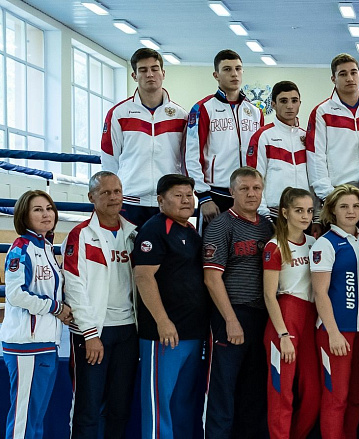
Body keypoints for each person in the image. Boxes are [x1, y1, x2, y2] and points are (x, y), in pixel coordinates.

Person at [132, 174, 210, 439]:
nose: (186, 200)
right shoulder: (154, 230)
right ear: (160, 200)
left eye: (189, 195)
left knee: (183, 403)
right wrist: (162, 321)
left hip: (192, 332)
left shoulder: (190, 230)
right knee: (159, 405)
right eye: (178, 195)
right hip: (164, 335)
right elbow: (144, 277)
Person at [62, 172, 138, 439]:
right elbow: (74, 287)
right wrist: (90, 333)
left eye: (117, 191)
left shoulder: (133, 234)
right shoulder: (80, 234)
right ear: (91, 197)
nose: (113, 197)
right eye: (105, 192)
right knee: (88, 408)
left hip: (128, 330)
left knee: (120, 408)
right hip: (94, 332)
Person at [201, 167, 273, 438]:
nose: (251, 194)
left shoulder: (267, 226)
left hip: (261, 316)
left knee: (254, 392)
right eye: (244, 189)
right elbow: (211, 279)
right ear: (232, 192)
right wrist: (230, 320)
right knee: (223, 392)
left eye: (256, 188)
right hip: (231, 314)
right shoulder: (221, 225)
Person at [1, 190, 70, 439]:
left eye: (49, 208)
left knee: (36, 417)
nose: (46, 214)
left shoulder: (47, 248)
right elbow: (16, 294)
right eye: (38, 209)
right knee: (24, 420)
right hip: (26, 345)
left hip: (46, 342)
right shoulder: (21, 248)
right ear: (24, 215)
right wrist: (56, 308)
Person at [310, 184, 359, 439]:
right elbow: (320, 292)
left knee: (357, 398)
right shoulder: (325, 244)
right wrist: (333, 333)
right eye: (344, 206)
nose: (351, 211)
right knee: (336, 398)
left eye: (355, 206)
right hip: (336, 332)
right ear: (332, 211)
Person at [101, 48, 188, 227]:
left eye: (155, 69)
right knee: (129, 246)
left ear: (163, 73)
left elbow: (187, 160)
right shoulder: (119, 113)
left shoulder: (181, 116)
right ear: (134, 75)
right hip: (130, 200)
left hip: (168, 200)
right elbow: (109, 159)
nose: (150, 74)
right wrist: (113, 194)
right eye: (143, 70)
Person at [261, 187, 320, 439]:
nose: (305, 216)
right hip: (285, 316)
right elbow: (269, 295)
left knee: (313, 394)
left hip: (310, 316)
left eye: (309, 211)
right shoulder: (275, 246)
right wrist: (283, 334)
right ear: (285, 212)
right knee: (281, 392)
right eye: (299, 210)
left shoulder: (315, 243)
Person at [306, 53, 359, 237]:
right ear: (333, 79)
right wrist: (330, 197)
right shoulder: (322, 112)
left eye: (353, 72)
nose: (349, 78)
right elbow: (316, 158)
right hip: (337, 197)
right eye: (343, 74)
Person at [184, 50, 263, 231]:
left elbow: (259, 156)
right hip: (215, 194)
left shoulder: (255, 112)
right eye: (227, 69)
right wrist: (203, 197)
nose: (234, 74)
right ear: (216, 75)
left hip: (248, 193)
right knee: (213, 246)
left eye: (238, 69)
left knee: (246, 245)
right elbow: (192, 155)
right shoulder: (203, 108)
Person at [247, 81, 310, 219]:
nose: (290, 106)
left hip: (304, 213)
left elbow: (314, 177)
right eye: (283, 101)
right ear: (273, 104)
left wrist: (315, 215)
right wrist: (263, 214)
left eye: (294, 101)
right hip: (274, 213)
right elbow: (254, 180)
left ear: (300, 103)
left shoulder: (306, 137)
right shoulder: (263, 136)